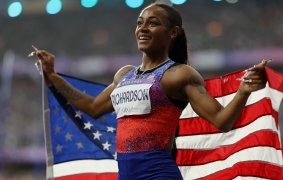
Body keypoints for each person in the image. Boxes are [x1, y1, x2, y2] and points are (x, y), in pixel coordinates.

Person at [36, 3, 269, 180]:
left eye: (153, 22)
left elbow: (222, 121)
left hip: (158, 174)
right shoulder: (124, 75)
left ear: (173, 32)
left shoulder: (179, 74)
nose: (143, 28)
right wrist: (53, 76)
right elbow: (93, 107)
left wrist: (243, 91)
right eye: (139, 22)